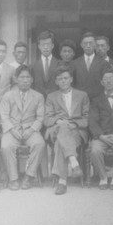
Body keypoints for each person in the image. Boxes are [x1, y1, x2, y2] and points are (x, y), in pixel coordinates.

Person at [44, 66, 90, 195]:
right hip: (56, 129)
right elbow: (47, 119)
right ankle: (74, 162)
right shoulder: (51, 97)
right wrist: (59, 121)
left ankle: (62, 182)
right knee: (63, 127)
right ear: (56, 82)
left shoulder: (82, 95)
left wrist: (74, 124)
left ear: (71, 79)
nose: (63, 81)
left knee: (60, 143)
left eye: (65, 78)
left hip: (76, 131)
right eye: (60, 79)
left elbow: (86, 119)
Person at [0, 65, 46, 191]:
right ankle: (13, 179)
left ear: (32, 79)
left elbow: (40, 117)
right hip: (12, 130)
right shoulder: (8, 96)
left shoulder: (38, 96)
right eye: (22, 77)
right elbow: (4, 116)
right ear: (16, 79)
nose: (25, 80)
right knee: (6, 146)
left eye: (28, 77)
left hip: (30, 130)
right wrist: (12, 130)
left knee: (39, 143)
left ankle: (29, 176)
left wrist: (31, 130)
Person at [71, 32, 112, 100]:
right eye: (85, 43)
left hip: (98, 101)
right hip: (79, 100)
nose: (88, 45)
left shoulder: (104, 63)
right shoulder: (74, 63)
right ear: (81, 45)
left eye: (91, 43)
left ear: (95, 44)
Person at [32, 31, 63, 98]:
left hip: (56, 101)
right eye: (43, 44)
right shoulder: (33, 66)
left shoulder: (60, 64)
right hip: (38, 102)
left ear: (52, 46)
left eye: (48, 44)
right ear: (39, 46)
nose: (45, 47)